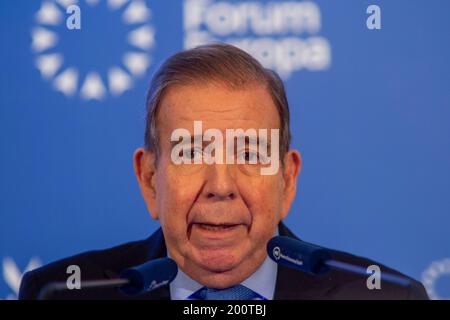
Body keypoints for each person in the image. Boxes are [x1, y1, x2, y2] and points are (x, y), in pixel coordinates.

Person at [19, 43, 428, 300]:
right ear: (148, 179)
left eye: (249, 154)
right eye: (191, 152)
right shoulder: (62, 293)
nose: (220, 186)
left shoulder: (383, 296)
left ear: (287, 180)